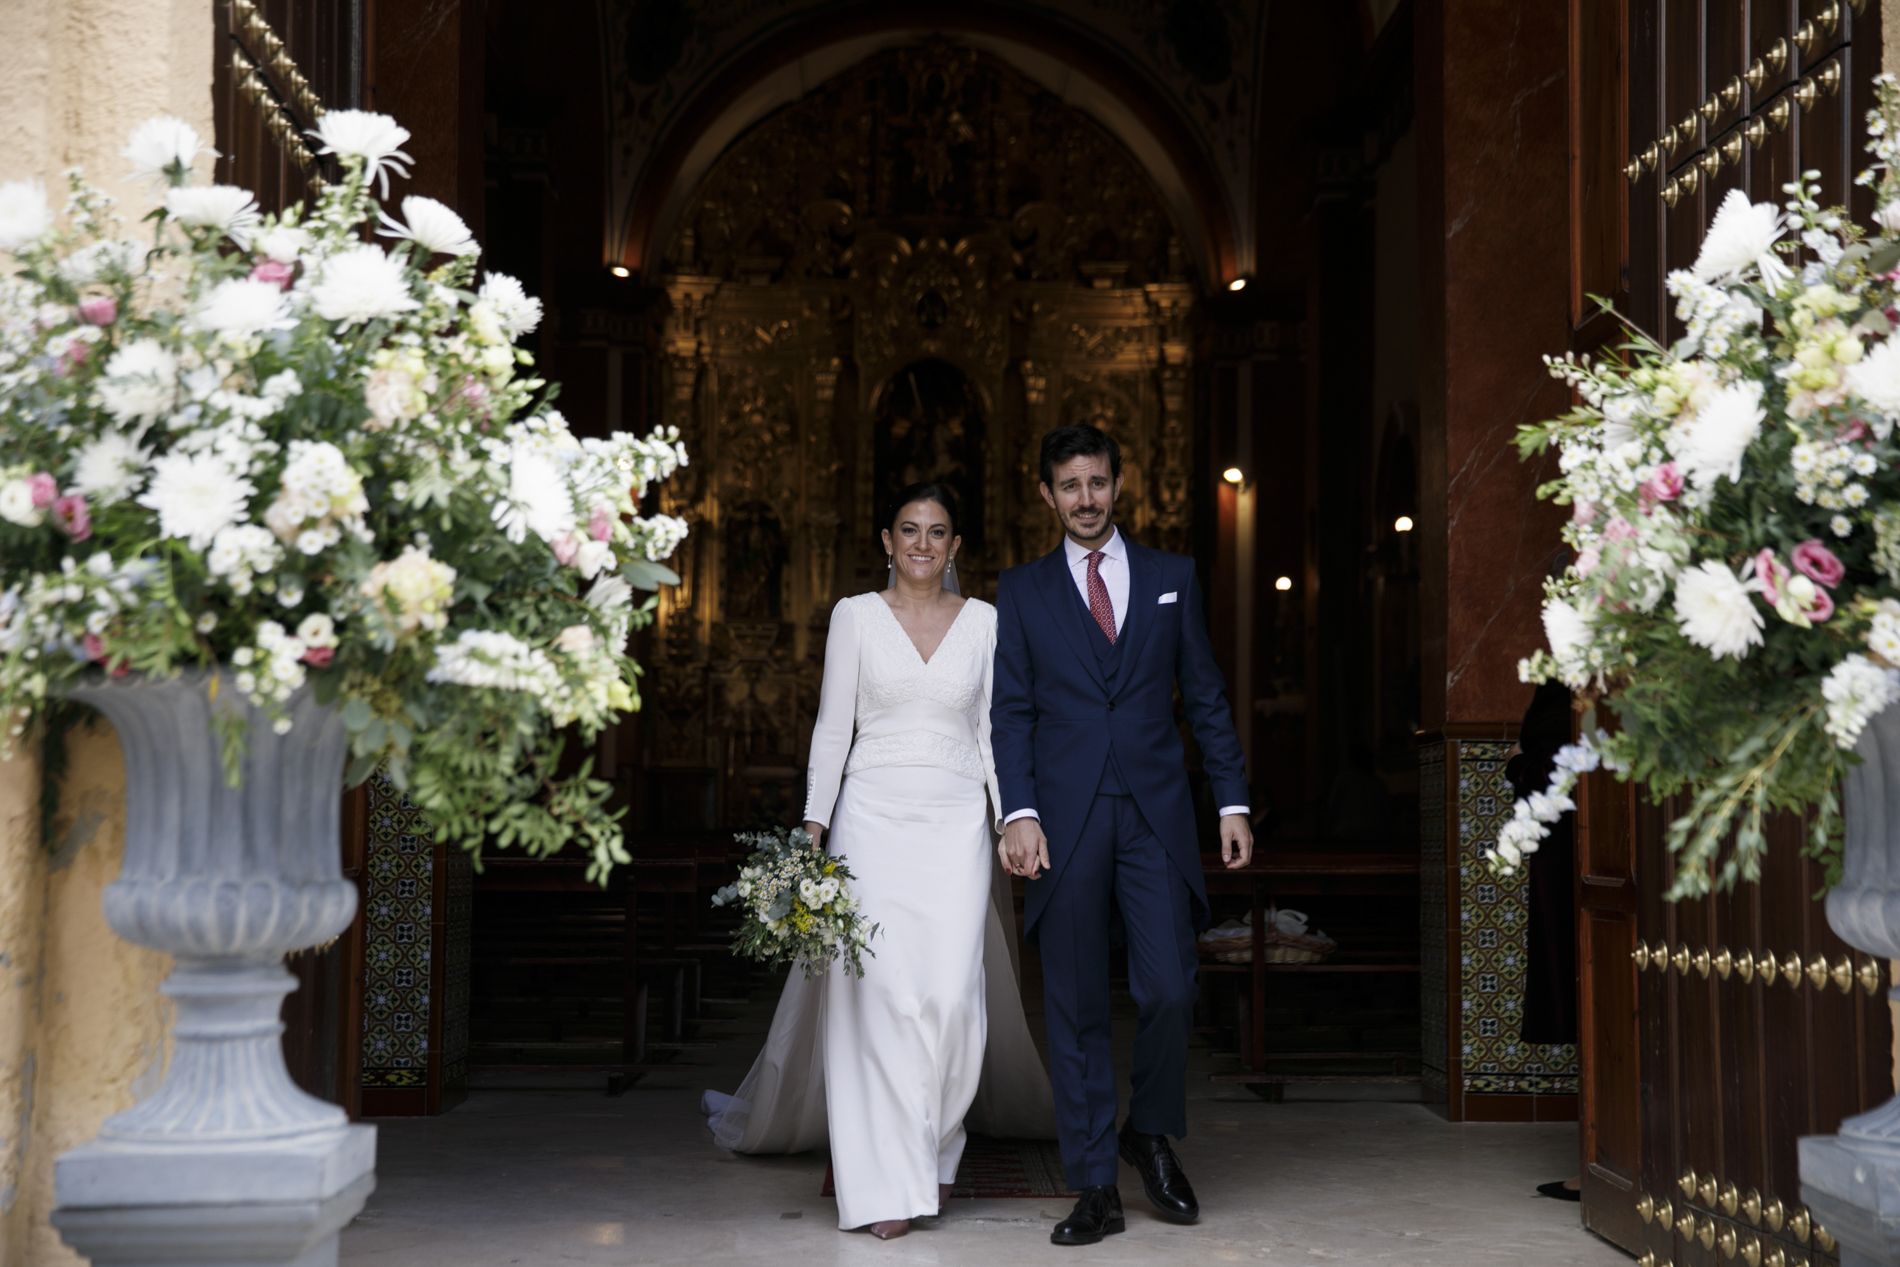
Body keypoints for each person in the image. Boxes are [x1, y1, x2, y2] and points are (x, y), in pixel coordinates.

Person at [702, 481, 1054, 1239]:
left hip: (956, 823)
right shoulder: (855, 616)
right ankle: (882, 1185)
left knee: (953, 999)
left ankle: (935, 1147)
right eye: (909, 529)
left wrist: (1011, 817)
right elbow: (834, 728)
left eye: (938, 531)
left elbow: (995, 732)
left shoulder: (986, 622)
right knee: (878, 997)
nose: (923, 543)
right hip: (870, 822)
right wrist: (813, 826)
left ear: (955, 547)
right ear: (887, 542)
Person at [991, 425, 1254, 1247]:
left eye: (1097, 482)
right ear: (1048, 494)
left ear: (1118, 483)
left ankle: (1149, 1130)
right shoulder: (1022, 591)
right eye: (1069, 485)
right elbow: (1011, 711)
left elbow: (1204, 694)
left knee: (1171, 985)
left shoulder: (1173, 576)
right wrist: (1019, 811)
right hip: (1063, 816)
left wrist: (1231, 800)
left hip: (1154, 811)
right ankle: (1095, 1184)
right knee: (1074, 1002)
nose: (1086, 498)